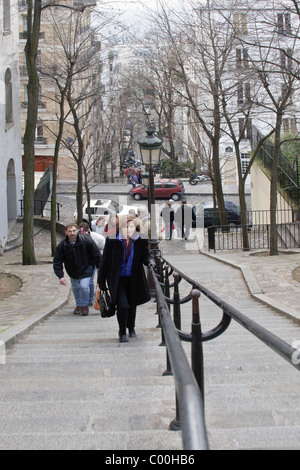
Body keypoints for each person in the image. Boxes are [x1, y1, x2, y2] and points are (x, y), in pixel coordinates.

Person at [98, 215, 152, 343]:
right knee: (122, 305)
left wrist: (150, 261)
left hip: (134, 278)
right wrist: (101, 282)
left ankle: (131, 328)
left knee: (132, 305)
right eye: (126, 227)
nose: (128, 230)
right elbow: (104, 261)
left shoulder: (141, 240)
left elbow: (145, 256)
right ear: (120, 227)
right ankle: (122, 331)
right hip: (118, 279)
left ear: (136, 227)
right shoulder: (112, 240)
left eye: (131, 227)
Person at [53, 223, 102, 316]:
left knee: (84, 286)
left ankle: (84, 305)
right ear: (66, 232)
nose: (72, 233)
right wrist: (60, 276)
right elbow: (57, 261)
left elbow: (96, 254)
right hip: (72, 270)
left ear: (78, 231)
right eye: (70, 231)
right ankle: (79, 305)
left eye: (74, 231)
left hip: (86, 268)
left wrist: (99, 267)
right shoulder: (62, 245)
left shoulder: (86, 241)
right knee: (76, 288)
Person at [78, 222, 105, 307]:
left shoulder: (97, 238)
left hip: (93, 261)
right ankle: (84, 300)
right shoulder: (77, 238)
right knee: (84, 282)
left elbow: (103, 248)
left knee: (89, 281)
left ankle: (89, 300)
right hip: (83, 262)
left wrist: (99, 264)